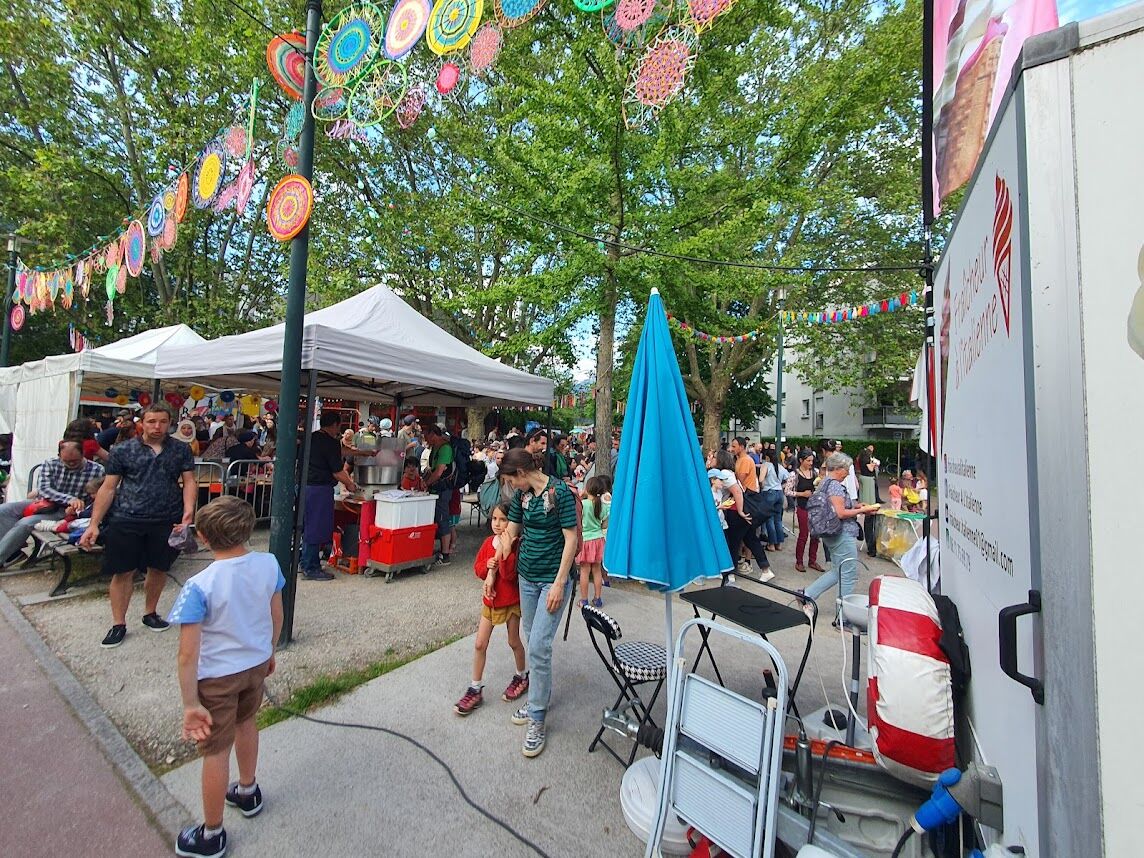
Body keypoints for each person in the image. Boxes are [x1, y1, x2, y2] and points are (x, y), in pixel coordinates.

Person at [166, 496, 284, 858]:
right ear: (248, 528)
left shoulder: (199, 585)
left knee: (215, 750)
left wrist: (190, 704)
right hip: (255, 666)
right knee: (247, 723)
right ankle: (247, 790)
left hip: (217, 678)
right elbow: (275, 615)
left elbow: (188, 654)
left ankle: (212, 832)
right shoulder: (269, 564)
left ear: (202, 536)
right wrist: (269, 651)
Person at [81, 403, 196, 649]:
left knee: (158, 568)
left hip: (166, 517)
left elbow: (189, 481)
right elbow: (109, 487)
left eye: (163, 421)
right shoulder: (123, 451)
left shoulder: (180, 450)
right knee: (122, 571)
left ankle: (150, 612)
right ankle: (118, 623)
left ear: (169, 423)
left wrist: (188, 511)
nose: (157, 427)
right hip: (128, 517)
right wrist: (94, 523)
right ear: (141, 423)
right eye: (152, 421)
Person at [497, 448, 578, 758]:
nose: (511, 487)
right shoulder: (523, 496)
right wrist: (497, 550)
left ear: (521, 473)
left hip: (551, 580)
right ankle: (536, 700)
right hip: (526, 578)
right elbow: (514, 531)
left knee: (539, 646)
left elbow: (570, 539)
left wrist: (559, 583)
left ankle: (538, 717)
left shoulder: (559, 493)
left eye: (510, 480)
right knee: (533, 640)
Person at [454, 503, 529, 717]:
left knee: (513, 641)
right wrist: (486, 566)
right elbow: (478, 569)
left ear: (512, 523)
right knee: (480, 643)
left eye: (503, 520)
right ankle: (475, 688)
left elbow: (509, 576)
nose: (497, 524)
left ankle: (522, 675)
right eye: (495, 519)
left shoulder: (517, 545)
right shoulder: (488, 543)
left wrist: (505, 553)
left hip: (510, 602)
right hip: (490, 602)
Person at [800, 452, 879, 627]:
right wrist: (862, 511)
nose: (849, 473)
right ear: (840, 468)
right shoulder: (835, 485)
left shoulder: (824, 483)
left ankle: (807, 594)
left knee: (838, 571)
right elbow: (841, 513)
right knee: (849, 574)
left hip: (832, 533)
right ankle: (843, 618)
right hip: (842, 533)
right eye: (847, 469)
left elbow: (837, 507)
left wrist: (856, 506)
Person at [0, 441, 105, 566]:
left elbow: (99, 497)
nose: (71, 464)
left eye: (75, 461)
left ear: (83, 454)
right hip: (44, 503)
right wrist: (69, 498)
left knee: (25, 523)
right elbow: (44, 489)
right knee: (4, 509)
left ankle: (2, 557)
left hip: (67, 513)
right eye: (67, 461)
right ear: (59, 455)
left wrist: (77, 507)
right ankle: (12, 552)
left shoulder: (97, 470)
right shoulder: (50, 464)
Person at [299, 411, 358, 582]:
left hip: (305, 486)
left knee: (307, 526)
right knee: (315, 528)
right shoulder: (329, 442)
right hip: (319, 489)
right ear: (335, 425)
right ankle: (311, 567)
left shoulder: (311, 438)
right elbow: (338, 471)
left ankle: (304, 562)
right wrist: (350, 484)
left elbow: (343, 451)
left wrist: (365, 453)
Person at [710, 450, 772, 582]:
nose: (713, 459)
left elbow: (737, 492)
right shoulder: (731, 473)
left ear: (720, 460)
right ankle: (765, 568)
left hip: (735, 512)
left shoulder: (724, 474)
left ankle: (730, 574)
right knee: (750, 539)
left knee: (733, 543)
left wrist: (740, 511)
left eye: (715, 457)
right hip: (741, 510)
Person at [423, 424, 457, 566]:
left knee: (443, 520)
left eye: (427, 437)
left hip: (443, 491)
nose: (425, 440)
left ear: (434, 435)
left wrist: (426, 484)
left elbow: (439, 471)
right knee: (437, 519)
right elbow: (433, 469)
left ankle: (445, 555)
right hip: (435, 489)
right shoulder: (435, 448)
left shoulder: (445, 448)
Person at [576, 475, 610, 608]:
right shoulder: (600, 505)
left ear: (588, 488)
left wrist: (581, 494)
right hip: (598, 540)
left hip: (585, 540)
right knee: (596, 570)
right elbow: (604, 523)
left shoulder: (583, 504)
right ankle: (597, 598)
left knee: (584, 571)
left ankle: (584, 599)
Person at [790, 451, 825, 574]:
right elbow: (787, 491)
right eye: (808, 460)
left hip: (815, 508)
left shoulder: (815, 473)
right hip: (802, 507)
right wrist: (801, 494)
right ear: (801, 460)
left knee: (815, 536)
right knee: (803, 535)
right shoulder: (794, 474)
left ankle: (812, 560)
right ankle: (799, 561)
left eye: (811, 460)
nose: (810, 463)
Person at [759, 449, 786, 552]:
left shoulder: (766, 465)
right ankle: (779, 544)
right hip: (779, 493)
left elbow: (761, 479)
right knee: (778, 519)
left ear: (767, 457)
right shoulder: (780, 466)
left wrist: (764, 484)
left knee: (769, 519)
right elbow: (788, 478)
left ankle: (771, 544)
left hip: (769, 493)